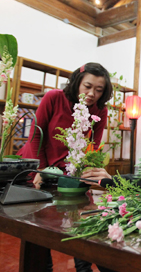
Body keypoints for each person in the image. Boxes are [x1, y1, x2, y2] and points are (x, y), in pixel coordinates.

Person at [17, 62, 113, 272]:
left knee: (77, 221)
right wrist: (40, 170)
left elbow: (92, 147)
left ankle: (83, 267)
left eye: (99, 90)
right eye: (87, 86)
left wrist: (84, 171)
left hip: (67, 173)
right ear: (77, 82)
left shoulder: (99, 111)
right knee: (38, 230)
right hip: (36, 168)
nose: (91, 94)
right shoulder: (54, 97)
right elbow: (35, 136)